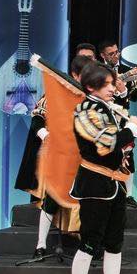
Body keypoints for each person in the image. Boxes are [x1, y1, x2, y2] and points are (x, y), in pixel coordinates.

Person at [67, 62, 137, 274]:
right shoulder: (84, 110)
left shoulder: (105, 107)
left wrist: (127, 135)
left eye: (113, 83)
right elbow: (105, 145)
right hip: (95, 184)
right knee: (89, 242)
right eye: (108, 84)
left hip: (115, 184)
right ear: (91, 87)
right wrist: (129, 130)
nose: (114, 87)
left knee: (114, 243)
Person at [16, 55, 93, 259]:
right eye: (83, 75)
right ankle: (40, 244)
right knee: (52, 199)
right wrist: (47, 136)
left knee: (87, 199)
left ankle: (88, 244)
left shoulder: (92, 97)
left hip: (85, 156)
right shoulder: (54, 95)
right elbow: (37, 121)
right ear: (74, 74)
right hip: (60, 155)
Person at [99, 40, 137, 208]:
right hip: (102, 119)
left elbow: (134, 97)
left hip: (123, 118)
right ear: (102, 55)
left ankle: (128, 195)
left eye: (117, 52)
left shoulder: (126, 71)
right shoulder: (97, 71)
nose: (115, 55)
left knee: (128, 155)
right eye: (111, 53)